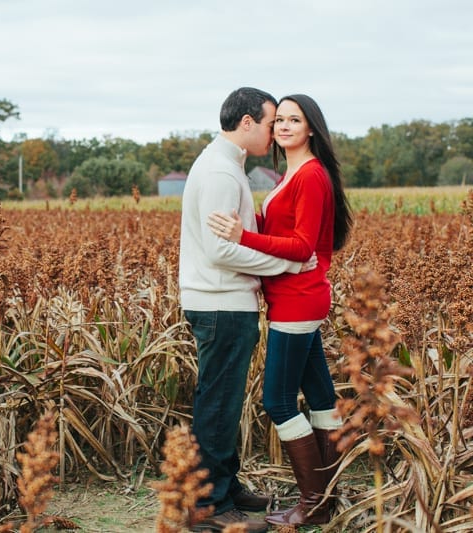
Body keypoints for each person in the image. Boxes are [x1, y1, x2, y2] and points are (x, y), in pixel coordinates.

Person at [207, 93, 353, 527]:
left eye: (295, 120)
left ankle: (313, 502)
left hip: (298, 298)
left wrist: (241, 236)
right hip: (293, 295)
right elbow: (298, 244)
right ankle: (326, 496)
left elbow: (303, 246)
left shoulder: (310, 175)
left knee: (277, 400)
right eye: (281, 120)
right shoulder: (292, 174)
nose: (285, 126)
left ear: (312, 129)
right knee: (322, 397)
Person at [179, 87, 317, 533]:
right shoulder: (221, 172)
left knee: (222, 401)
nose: (275, 133)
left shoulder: (224, 164)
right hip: (221, 304)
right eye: (270, 122)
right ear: (246, 123)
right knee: (218, 404)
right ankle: (211, 509)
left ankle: (225, 485)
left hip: (223, 301)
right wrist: (289, 261)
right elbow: (222, 251)